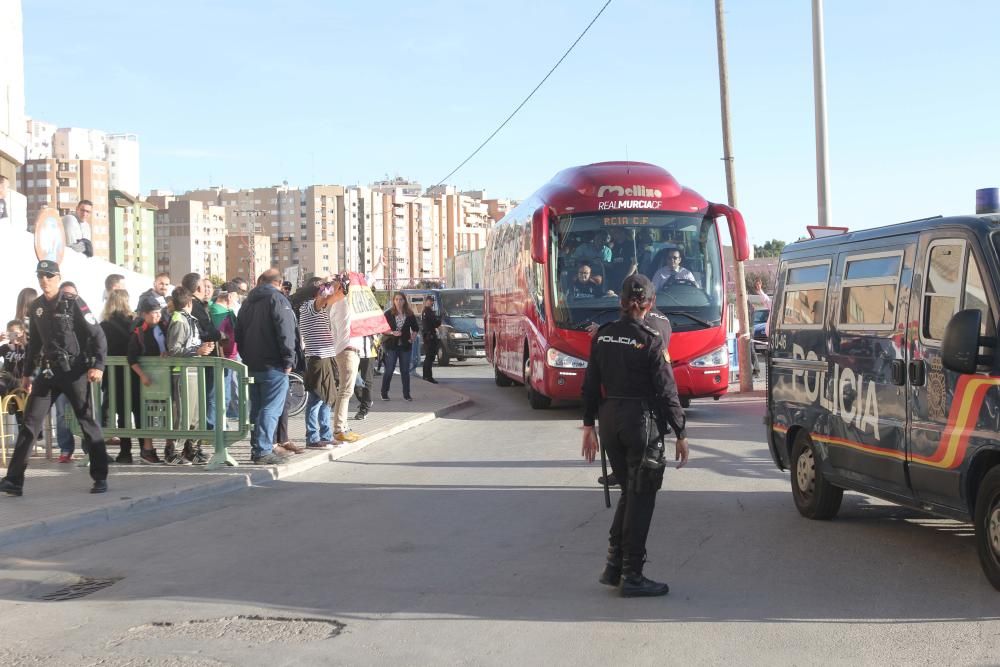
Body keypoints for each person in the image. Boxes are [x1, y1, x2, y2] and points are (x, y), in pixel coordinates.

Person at [581, 273, 689, 597]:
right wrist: (681, 432)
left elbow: (589, 385)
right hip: (640, 423)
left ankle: (614, 566)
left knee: (630, 492)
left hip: (610, 420)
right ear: (650, 303)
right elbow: (667, 389)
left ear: (620, 301)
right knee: (641, 498)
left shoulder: (602, 336)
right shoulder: (651, 338)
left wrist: (588, 427)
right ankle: (633, 575)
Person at [0, 260, 109, 496]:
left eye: (49, 276)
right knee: (30, 423)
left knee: (86, 421)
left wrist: (98, 365)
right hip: (48, 372)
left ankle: (100, 476)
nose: (44, 280)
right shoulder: (37, 306)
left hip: (73, 371)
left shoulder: (72, 303)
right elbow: (35, 344)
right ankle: (14, 480)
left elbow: (98, 334)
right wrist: (28, 374)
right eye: (41, 276)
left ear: (58, 278)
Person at [234, 269, 296, 465]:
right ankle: (263, 450)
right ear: (279, 283)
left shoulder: (247, 302)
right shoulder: (277, 299)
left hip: (252, 363)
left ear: (260, 281)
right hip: (274, 364)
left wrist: (246, 356)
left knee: (258, 408)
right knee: (271, 408)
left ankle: (258, 448)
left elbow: (239, 333)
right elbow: (286, 331)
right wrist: (289, 359)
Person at [164, 287, 215, 465]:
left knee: (195, 416)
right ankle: (172, 452)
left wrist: (202, 349)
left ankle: (190, 450)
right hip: (182, 373)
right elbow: (174, 349)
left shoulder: (187, 319)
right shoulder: (179, 320)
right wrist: (197, 350)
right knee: (183, 415)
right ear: (190, 303)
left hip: (193, 371)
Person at [126, 295, 168, 464]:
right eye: (153, 313)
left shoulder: (162, 327)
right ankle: (147, 449)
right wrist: (143, 375)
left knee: (162, 413)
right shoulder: (138, 332)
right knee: (144, 414)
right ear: (143, 314)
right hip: (143, 381)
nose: (157, 316)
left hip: (160, 377)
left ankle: (166, 447)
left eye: (159, 312)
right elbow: (131, 358)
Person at [100, 289, 138, 463]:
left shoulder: (105, 325)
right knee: (138, 412)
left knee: (122, 413)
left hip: (113, 375)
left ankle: (125, 452)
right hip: (135, 372)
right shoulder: (134, 322)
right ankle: (146, 449)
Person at [297, 283, 337, 449]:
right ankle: (312, 438)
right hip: (318, 358)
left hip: (326, 356)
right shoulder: (309, 307)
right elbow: (321, 300)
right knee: (317, 399)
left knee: (326, 399)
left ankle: (326, 435)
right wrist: (327, 289)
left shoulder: (317, 308)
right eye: (322, 290)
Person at [181, 273, 221, 431]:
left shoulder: (198, 304)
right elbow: (207, 331)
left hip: (197, 360)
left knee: (201, 399)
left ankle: (196, 439)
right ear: (198, 288)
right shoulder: (194, 306)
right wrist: (218, 335)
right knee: (202, 399)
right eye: (205, 286)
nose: (207, 290)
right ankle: (203, 431)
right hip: (197, 360)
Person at [327, 275, 363, 443]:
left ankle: (343, 426)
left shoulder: (337, 305)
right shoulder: (343, 304)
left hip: (346, 350)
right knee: (345, 390)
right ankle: (339, 428)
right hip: (347, 350)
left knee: (346, 390)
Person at [209, 283, 240, 424]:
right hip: (222, 358)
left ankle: (221, 423)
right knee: (218, 396)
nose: (237, 299)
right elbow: (220, 336)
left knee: (225, 395)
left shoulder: (225, 311)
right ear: (230, 296)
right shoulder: (217, 311)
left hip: (229, 357)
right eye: (236, 296)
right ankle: (214, 427)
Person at [380, 292, 419, 402]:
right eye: (396, 299)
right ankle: (384, 392)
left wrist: (413, 337)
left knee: (405, 371)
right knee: (389, 369)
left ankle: (406, 394)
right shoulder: (388, 314)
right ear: (393, 301)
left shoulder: (409, 314)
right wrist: (392, 333)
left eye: (401, 299)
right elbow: (382, 329)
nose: (398, 302)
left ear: (404, 301)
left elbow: (415, 328)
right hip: (391, 345)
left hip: (405, 345)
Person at [420, 295, 441, 383]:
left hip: (428, 336)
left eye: (432, 301)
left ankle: (426, 376)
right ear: (426, 301)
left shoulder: (425, 311)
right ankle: (428, 376)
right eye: (429, 301)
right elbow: (435, 324)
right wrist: (439, 319)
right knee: (430, 357)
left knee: (429, 357)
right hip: (430, 337)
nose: (431, 302)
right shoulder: (428, 311)